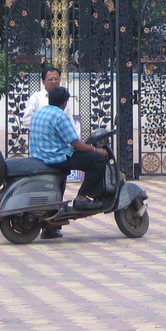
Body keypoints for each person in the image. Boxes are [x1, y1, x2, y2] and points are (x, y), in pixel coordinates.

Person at [29, 86, 109, 227]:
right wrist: (95, 149)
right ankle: (82, 196)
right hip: (56, 159)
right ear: (65, 103)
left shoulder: (38, 113)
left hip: (39, 157)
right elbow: (76, 144)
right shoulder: (60, 116)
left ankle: (53, 225)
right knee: (97, 160)